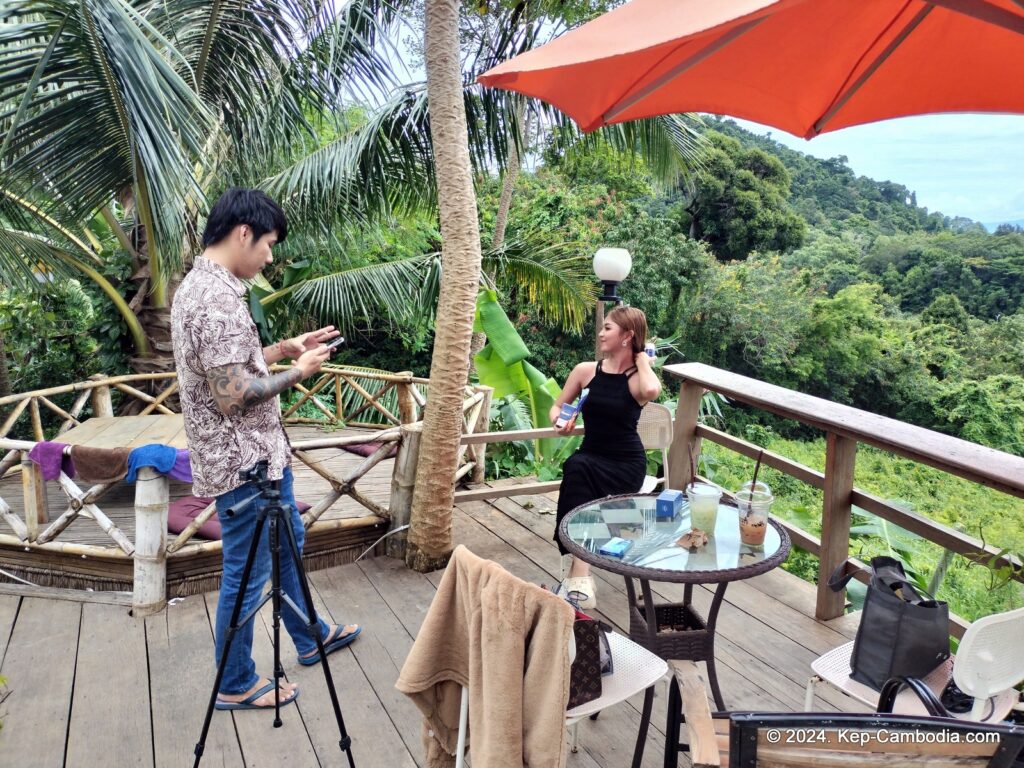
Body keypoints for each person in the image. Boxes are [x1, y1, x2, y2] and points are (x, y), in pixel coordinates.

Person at [171, 188, 361, 712]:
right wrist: (298, 373)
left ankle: (311, 635)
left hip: (253, 458)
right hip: (245, 463)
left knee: (285, 551)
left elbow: (229, 365)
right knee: (249, 573)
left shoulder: (204, 288)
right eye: (269, 243)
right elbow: (233, 395)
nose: (270, 256)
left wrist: (281, 350)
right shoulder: (215, 300)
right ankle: (235, 682)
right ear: (242, 233)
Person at [548, 305, 661, 609]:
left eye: (608, 328)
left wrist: (641, 359)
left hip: (626, 463)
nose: (600, 333)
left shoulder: (638, 378)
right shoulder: (586, 371)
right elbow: (557, 406)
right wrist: (560, 422)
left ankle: (577, 573)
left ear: (628, 336)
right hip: (591, 455)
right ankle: (580, 573)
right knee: (577, 467)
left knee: (578, 470)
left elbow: (652, 390)